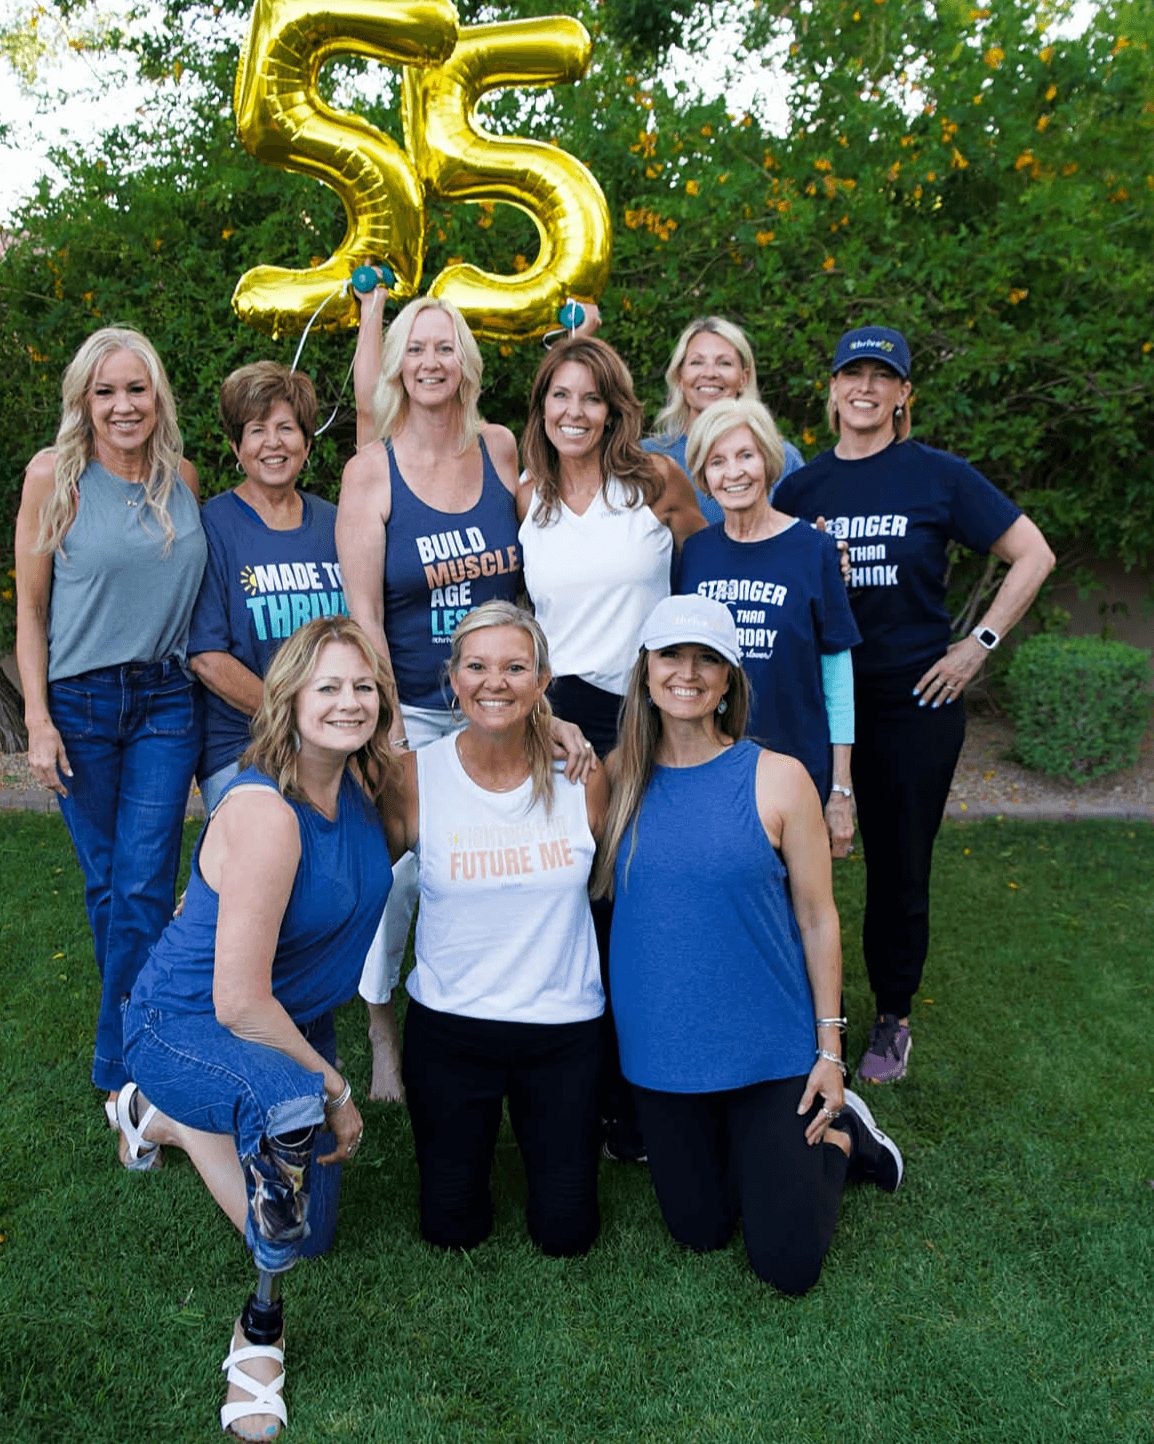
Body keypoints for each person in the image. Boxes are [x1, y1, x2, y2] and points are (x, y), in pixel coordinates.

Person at [119, 616, 395, 1440]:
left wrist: (559, 728)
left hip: (288, 1019)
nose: (349, 702)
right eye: (328, 686)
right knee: (286, 1131)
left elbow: (492, 734)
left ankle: (166, 1120)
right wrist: (336, 1089)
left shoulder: (364, 784)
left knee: (315, 1232)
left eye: (364, 686)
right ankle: (258, 1336)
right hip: (186, 1023)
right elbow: (238, 1001)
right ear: (289, 699)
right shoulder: (265, 809)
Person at [595, 594, 903, 1296]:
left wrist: (830, 1051)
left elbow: (819, 918)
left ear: (730, 679)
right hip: (663, 1053)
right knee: (698, 1230)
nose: (688, 673)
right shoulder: (614, 779)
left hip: (769, 1049)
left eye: (708, 659)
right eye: (672, 656)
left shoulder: (779, 777)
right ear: (645, 671)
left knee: (787, 1266)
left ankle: (845, 1137)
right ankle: (757, 1156)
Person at [772, 326, 1056, 1082]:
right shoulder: (799, 491)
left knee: (899, 866)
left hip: (912, 704)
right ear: (832, 389)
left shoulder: (939, 476)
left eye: (881, 376)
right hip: (818, 704)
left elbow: (1034, 553)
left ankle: (892, 1016)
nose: (864, 388)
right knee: (793, 859)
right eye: (852, 374)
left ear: (903, 394)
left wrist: (978, 645)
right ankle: (796, 1006)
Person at [13, 326, 206, 1134]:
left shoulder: (182, 479)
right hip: (80, 706)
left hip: (167, 701)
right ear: (83, 401)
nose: (123, 405)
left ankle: (124, 1068)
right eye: (105, 392)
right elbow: (30, 611)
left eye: (136, 388)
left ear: (157, 396)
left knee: (141, 885)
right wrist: (37, 719)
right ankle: (145, 1037)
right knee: (110, 888)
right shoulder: (52, 477)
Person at [518, 335, 706, 1161]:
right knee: (573, 904)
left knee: (642, 903)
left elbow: (717, 559)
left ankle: (648, 1098)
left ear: (614, 409)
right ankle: (583, 1098)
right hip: (559, 720)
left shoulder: (654, 482)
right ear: (541, 408)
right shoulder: (526, 497)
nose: (575, 412)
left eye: (590, 397)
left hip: (645, 712)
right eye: (560, 396)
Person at [338, 291, 524, 1102]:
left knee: (496, 863)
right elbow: (364, 612)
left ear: (466, 362)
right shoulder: (370, 471)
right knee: (401, 877)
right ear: (397, 367)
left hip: (500, 704)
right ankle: (384, 1033)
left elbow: (532, 578)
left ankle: (488, 1011)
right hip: (414, 703)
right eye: (415, 349)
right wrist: (387, 726)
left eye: (444, 347)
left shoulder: (501, 448)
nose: (430, 362)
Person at [391, 601, 609, 1256]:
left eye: (516, 668)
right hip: (451, 1029)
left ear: (542, 681)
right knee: (451, 1229)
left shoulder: (582, 776)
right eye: (477, 666)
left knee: (567, 1233)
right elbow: (349, 873)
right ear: (453, 679)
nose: (495, 682)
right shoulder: (415, 778)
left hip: (563, 1030)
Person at [678, 397, 860, 854]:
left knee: (800, 895)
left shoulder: (816, 550)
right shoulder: (695, 553)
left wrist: (841, 789)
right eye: (717, 461)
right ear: (703, 475)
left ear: (768, 462)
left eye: (746, 455)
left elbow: (837, 674)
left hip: (796, 765)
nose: (733, 472)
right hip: (710, 764)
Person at [189, 361, 344, 814]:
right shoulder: (212, 526)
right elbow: (207, 659)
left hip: (335, 739)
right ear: (236, 447)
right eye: (257, 430)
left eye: (286, 428)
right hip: (245, 745)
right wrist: (296, 719)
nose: (273, 443)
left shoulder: (335, 524)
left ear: (307, 443)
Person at [643, 316, 805, 524]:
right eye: (697, 362)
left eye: (724, 363)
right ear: (680, 377)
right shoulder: (645, 457)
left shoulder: (781, 457)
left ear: (744, 378)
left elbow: (803, 534)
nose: (710, 373)